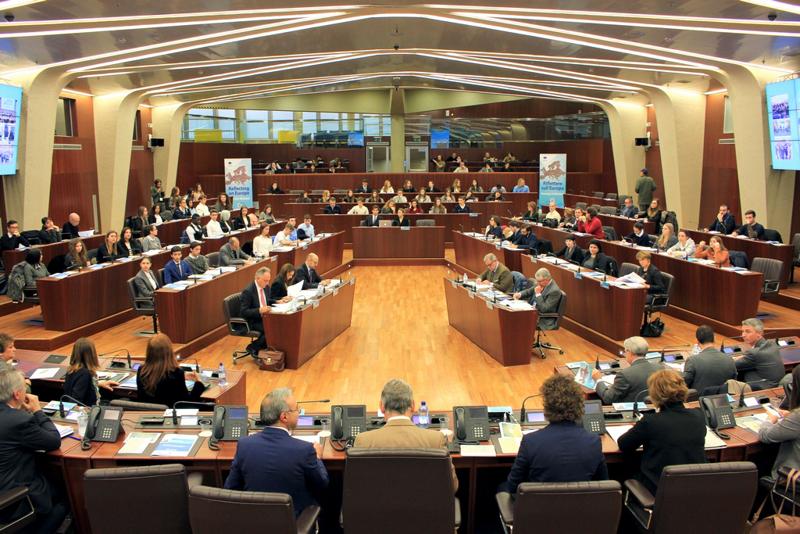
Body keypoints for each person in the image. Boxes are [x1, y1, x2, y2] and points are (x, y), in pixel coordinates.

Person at [225, 388, 328, 516]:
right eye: (296, 409)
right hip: (292, 521)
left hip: (253, 519)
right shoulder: (304, 450)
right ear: (284, 416)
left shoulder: (244, 445)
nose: (299, 413)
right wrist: (317, 457)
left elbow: (231, 487)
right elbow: (322, 483)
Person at [502, 375, 607, 492]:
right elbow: (603, 484)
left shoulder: (531, 441)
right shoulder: (594, 441)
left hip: (540, 503)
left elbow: (512, 486)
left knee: (501, 488)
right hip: (581, 503)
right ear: (579, 406)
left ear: (547, 407)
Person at [353, 379, 457, 491]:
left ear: (382, 406)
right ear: (413, 405)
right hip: (423, 502)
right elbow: (452, 487)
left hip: (378, 502)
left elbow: (356, 487)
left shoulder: (363, 441)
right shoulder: (436, 440)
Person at [0, 368, 68, 534]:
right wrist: (37, 410)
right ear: (17, 394)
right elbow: (53, 441)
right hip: (14, 500)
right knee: (69, 495)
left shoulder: (13, 417)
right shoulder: (18, 420)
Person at [617, 370, 706, 493]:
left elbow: (623, 444)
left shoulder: (650, 421)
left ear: (655, 394)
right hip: (694, 489)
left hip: (658, 489)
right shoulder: (698, 415)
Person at [136, 334, 206, 407]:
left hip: (146, 413)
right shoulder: (175, 373)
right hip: (170, 413)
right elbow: (186, 403)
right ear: (169, 352)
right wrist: (199, 384)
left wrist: (182, 376)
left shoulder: (141, 370)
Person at [758, 365, 800, 482]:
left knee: (760, 462)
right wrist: (791, 416)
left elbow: (765, 436)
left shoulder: (798, 416)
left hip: (791, 478)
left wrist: (769, 419)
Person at [592, 336, 662, 404]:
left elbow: (608, 398)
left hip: (631, 410)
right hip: (653, 407)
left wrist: (598, 380)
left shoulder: (624, 375)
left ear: (629, 352)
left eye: (625, 351)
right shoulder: (660, 368)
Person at [683, 325, 737, 395]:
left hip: (700, 400)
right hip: (725, 399)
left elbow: (684, 384)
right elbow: (734, 383)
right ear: (714, 338)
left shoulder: (692, 360)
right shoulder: (729, 359)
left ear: (697, 341)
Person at [64, 338, 119, 406]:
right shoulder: (85, 374)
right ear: (91, 354)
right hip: (89, 409)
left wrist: (98, 384)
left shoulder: (71, 370)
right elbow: (76, 400)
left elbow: (81, 386)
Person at [735, 318, 784, 388]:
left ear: (759, 333)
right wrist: (741, 357)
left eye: (748, 332)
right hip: (775, 382)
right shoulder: (771, 344)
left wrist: (731, 359)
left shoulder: (754, 353)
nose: (743, 335)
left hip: (765, 387)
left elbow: (733, 365)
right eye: (743, 331)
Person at [240, 267, 276, 354]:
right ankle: (253, 347)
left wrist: (278, 301)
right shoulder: (248, 291)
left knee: (279, 325)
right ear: (257, 278)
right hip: (253, 320)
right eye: (265, 281)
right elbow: (244, 312)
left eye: (268, 280)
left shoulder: (266, 287)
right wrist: (259, 310)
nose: (267, 283)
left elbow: (268, 300)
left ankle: (265, 347)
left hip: (265, 317)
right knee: (270, 329)